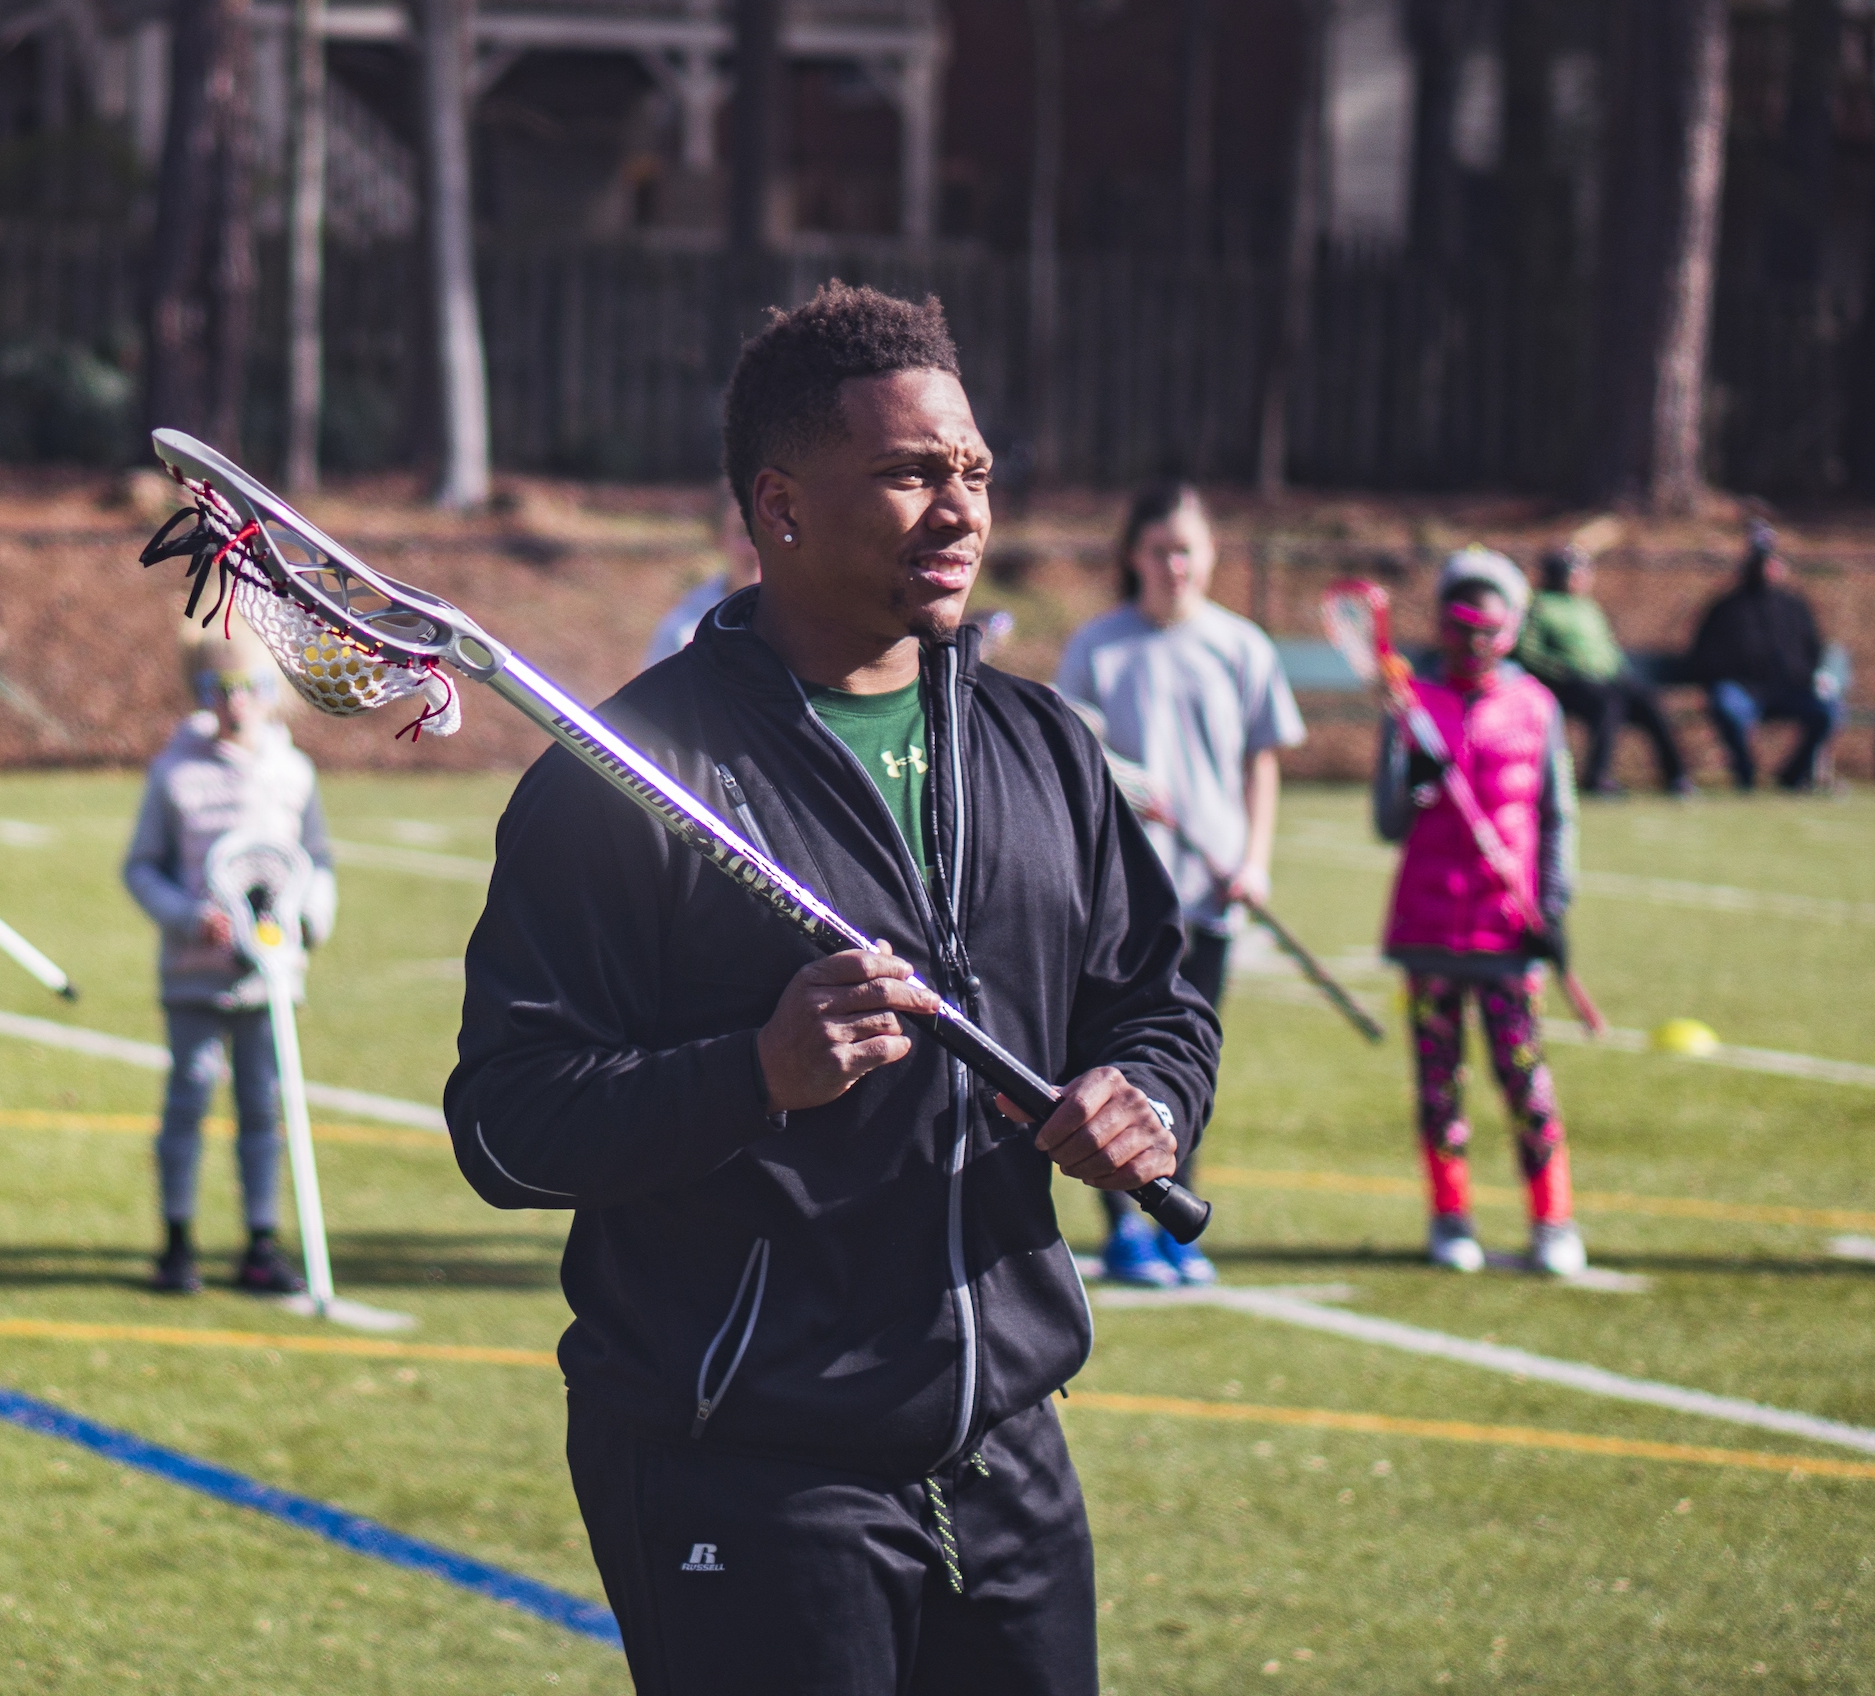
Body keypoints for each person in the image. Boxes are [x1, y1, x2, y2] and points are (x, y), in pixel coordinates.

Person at [449, 282, 1215, 1696]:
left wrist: (1148, 1097)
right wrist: (755, 1070)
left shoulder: (1042, 746)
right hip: (740, 1462)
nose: (960, 509)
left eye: (973, 470)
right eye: (912, 472)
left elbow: (1157, 1002)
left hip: (1006, 1448)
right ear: (782, 505)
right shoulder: (628, 782)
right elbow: (505, 1123)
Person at [1055, 481, 1302, 1290]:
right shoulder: (1100, 646)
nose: (1174, 566)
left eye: (1187, 550)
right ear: (1134, 556)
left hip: (1215, 889)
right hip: (1130, 898)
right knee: (1123, 1060)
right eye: (1159, 551)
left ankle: (1175, 1214)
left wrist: (1253, 857)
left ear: (1211, 555)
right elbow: (1073, 758)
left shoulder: (1240, 646)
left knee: (1189, 1063)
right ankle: (1124, 1224)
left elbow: (1261, 759)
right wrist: (1125, 783)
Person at [1374, 549, 1583, 1280]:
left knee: (1525, 1080)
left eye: (1491, 627)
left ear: (1514, 628)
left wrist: (1553, 906)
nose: (1475, 642)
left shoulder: (1536, 707)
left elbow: (1558, 818)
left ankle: (1552, 1217)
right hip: (1429, 932)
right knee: (1440, 1086)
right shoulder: (1410, 703)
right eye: (1461, 625)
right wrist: (1415, 782)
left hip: (1508, 930)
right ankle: (1450, 1214)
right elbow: (1388, 822)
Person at [121, 631, 337, 1296]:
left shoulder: (293, 772)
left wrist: (302, 921)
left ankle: (260, 1240)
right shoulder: (175, 770)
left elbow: (316, 862)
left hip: (268, 980)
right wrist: (190, 917)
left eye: (252, 689)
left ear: (273, 697)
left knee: (260, 1107)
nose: (237, 703)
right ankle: (178, 1240)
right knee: (187, 1099)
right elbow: (141, 866)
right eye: (222, 691)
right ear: (203, 695)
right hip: (194, 974)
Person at [1516, 543, 1689, 797]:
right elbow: (1528, 652)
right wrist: (1562, 671)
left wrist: (1622, 672)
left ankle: (1677, 777)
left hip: (1608, 679)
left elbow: (1608, 649)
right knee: (1608, 705)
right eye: (1575, 572)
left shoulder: (1588, 607)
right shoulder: (1540, 606)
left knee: (1649, 703)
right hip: (1568, 684)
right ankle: (1597, 778)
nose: (1582, 577)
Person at [1686, 527, 1840, 792]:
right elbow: (1702, 656)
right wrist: (1724, 675)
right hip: (1744, 690)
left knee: (1828, 710)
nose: (1765, 568)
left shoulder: (1794, 606)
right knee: (1727, 704)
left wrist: (1810, 676)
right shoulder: (1725, 608)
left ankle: (1792, 775)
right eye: (1758, 562)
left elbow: (1814, 650)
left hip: (1790, 690)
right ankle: (1745, 773)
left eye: (1770, 561)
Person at [645, 482, 764, 666]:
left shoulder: (813, 632)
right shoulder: (681, 636)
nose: (757, 547)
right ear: (719, 539)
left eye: (768, 531)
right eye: (744, 532)